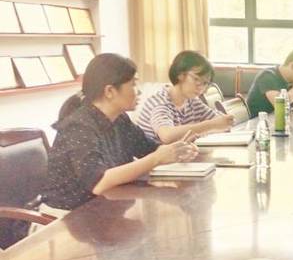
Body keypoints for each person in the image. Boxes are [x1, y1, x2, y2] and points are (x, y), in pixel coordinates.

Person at [44, 53, 198, 210]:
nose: (139, 92)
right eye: (133, 84)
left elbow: (149, 149)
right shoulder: (79, 127)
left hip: (105, 205)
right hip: (68, 215)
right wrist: (157, 158)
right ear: (110, 91)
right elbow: (98, 182)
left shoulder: (120, 119)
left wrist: (177, 151)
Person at [137, 51, 234, 143]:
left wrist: (224, 122)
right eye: (196, 79)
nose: (201, 87)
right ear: (180, 75)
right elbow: (167, 136)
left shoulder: (192, 101)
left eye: (205, 83)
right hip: (155, 155)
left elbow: (219, 121)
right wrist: (211, 125)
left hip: (179, 154)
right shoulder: (160, 102)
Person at [246, 47, 293, 116]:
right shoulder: (267, 76)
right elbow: (281, 105)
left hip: (279, 119)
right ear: (292, 65)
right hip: (259, 121)